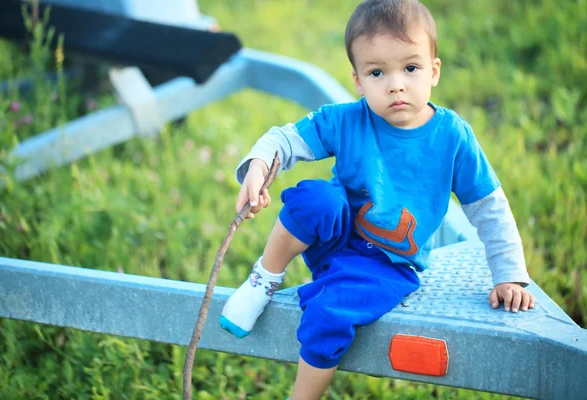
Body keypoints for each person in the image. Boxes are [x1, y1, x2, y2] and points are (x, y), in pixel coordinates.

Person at [219, 0, 535, 398]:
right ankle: (263, 278)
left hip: (388, 263)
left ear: (434, 71)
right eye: (377, 72)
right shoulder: (349, 120)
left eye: (411, 68)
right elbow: (285, 138)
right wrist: (259, 165)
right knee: (315, 198)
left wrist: (509, 274)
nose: (395, 84)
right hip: (335, 236)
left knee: (329, 313)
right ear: (358, 81)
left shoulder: (452, 137)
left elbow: (489, 208)